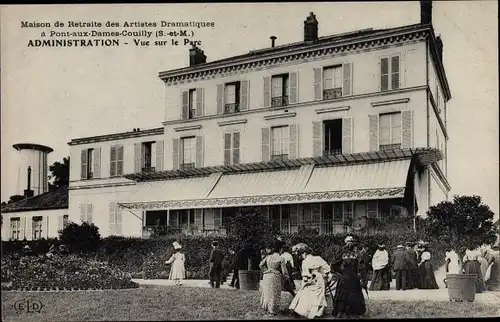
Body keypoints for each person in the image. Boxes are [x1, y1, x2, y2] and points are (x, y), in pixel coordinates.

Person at [289, 244, 331, 319]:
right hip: (319, 279)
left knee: (304, 293)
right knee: (318, 296)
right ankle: (317, 313)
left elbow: (305, 276)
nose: (301, 257)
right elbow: (327, 269)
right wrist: (324, 276)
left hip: (310, 279)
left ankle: (301, 311)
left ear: (304, 253)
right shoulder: (318, 258)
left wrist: (304, 283)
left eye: (301, 255)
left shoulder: (305, 262)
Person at [330, 236, 366, 318]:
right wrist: (361, 277)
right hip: (353, 277)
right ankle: (355, 312)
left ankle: (341, 311)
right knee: (355, 293)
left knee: (342, 294)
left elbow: (334, 264)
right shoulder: (357, 254)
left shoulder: (342, 253)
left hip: (345, 276)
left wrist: (340, 271)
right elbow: (361, 267)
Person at [259, 241, 289, 316]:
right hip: (275, 276)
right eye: (282, 249)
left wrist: (266, 271)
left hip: (267, 276)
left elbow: (261, 265)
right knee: (274, 293)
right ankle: (272, 310)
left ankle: (267, 307)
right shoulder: (281, 258)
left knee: (267, 292)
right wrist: (287, 277)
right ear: (280, 249)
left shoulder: (268, 256)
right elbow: (284, 271)